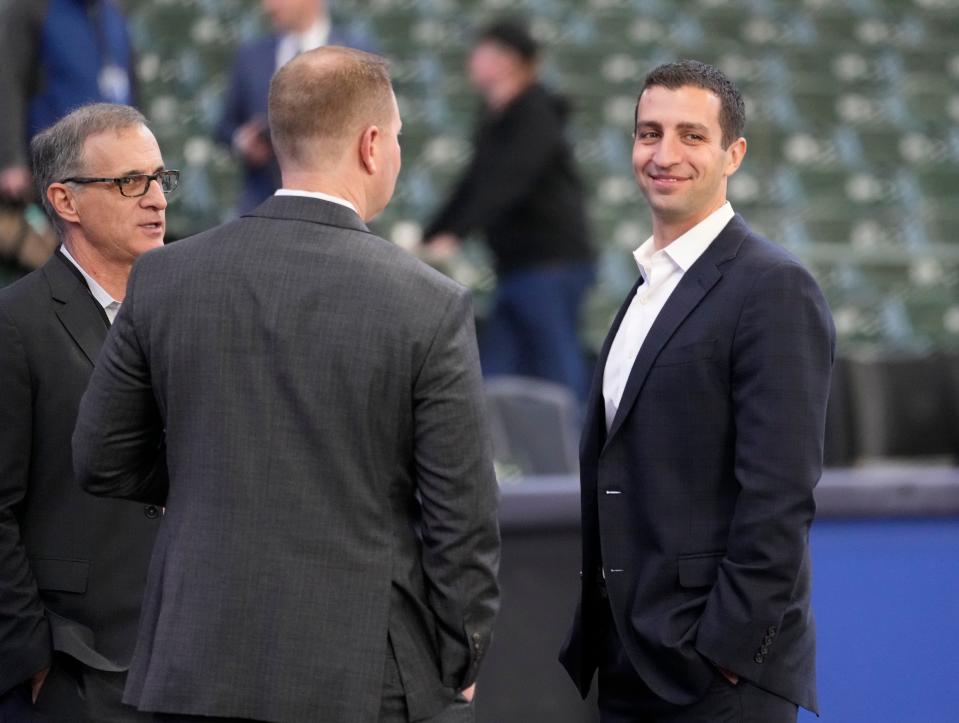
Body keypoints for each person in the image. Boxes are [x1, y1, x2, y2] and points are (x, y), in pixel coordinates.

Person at [73, 47, 501, 723]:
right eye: (396, 140)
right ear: (370, 144)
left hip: (191, 662)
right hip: (359, 675)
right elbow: (462, 518)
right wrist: (460, 659)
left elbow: (100, 455)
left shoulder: (163, 278)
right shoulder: (428, 302)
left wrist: (211, 478)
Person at [558, 60, 835, 722]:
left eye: (690, 135)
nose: (663, 154)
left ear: (732, 153)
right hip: (629, 660)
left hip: (713, 676)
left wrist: (728, 651)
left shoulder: (772, 287)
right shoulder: (644, 289)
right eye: (647, 133)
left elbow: (779, 493)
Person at [0, 103, 174, 721]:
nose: (155, 199)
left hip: (185, 656)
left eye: (160, 179)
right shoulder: (15, 323)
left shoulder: (188, 310)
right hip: (75, 662)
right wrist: (32, 658)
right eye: (130, 182)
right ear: (65, 202)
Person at [422, 20, 595, 403]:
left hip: (551, 265)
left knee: (558, 373)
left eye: (481, 51)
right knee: (494, 375)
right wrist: (432, 234)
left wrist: (456, 233)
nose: (472, 59)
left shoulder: (534, 111)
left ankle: (582, 460)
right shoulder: (493, 116)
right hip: (516, 270)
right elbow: (472, 183)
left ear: (507, 61)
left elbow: (509, 181)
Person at [218, 0, 371, 214]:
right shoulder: (250, 56)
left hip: (336, 205)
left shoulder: (357, 53)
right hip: (262, 204)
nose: (268, 7)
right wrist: (242, 141)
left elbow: (374, 122)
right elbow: (225, 127)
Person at [0, 0, 136, 204]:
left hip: (116, 161)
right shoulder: (31, 8)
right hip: (55, 165)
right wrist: (10, 160)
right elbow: (8, 83)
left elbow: (133, 87)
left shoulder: (114, 11)